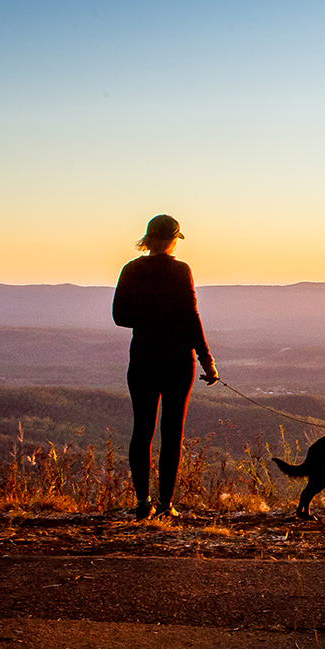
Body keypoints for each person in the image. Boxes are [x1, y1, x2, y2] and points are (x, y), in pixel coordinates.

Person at [112, 214, 218, 518]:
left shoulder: (131, 270)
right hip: (177, 362)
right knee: (172, 435)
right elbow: (191, 317)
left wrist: (147, 318)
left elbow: (120, 317)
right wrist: (207, 360)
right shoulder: (181, 270)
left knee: (142, 431)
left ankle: (142, 503)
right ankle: (165, 505)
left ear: (147, 239)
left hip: (143, 359)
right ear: (173, 240)